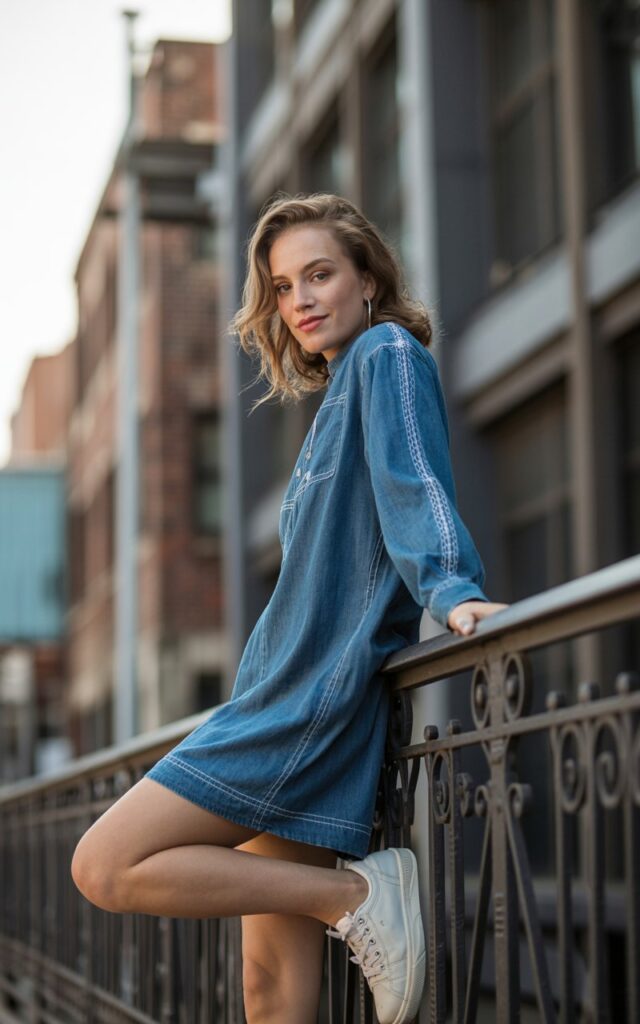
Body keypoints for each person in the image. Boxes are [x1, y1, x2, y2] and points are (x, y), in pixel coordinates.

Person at [71, 193, 508, 1024]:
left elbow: (414, 484)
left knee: (104, 864)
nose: (300, 299)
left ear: (369, 281)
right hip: (281, 696)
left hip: (299, 706)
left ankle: (351, 895)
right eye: (281, 286)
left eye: (319, 274)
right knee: (270, 992)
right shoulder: (335, 398)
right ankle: (342, 898)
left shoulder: (384, 354)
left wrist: (452, 590)